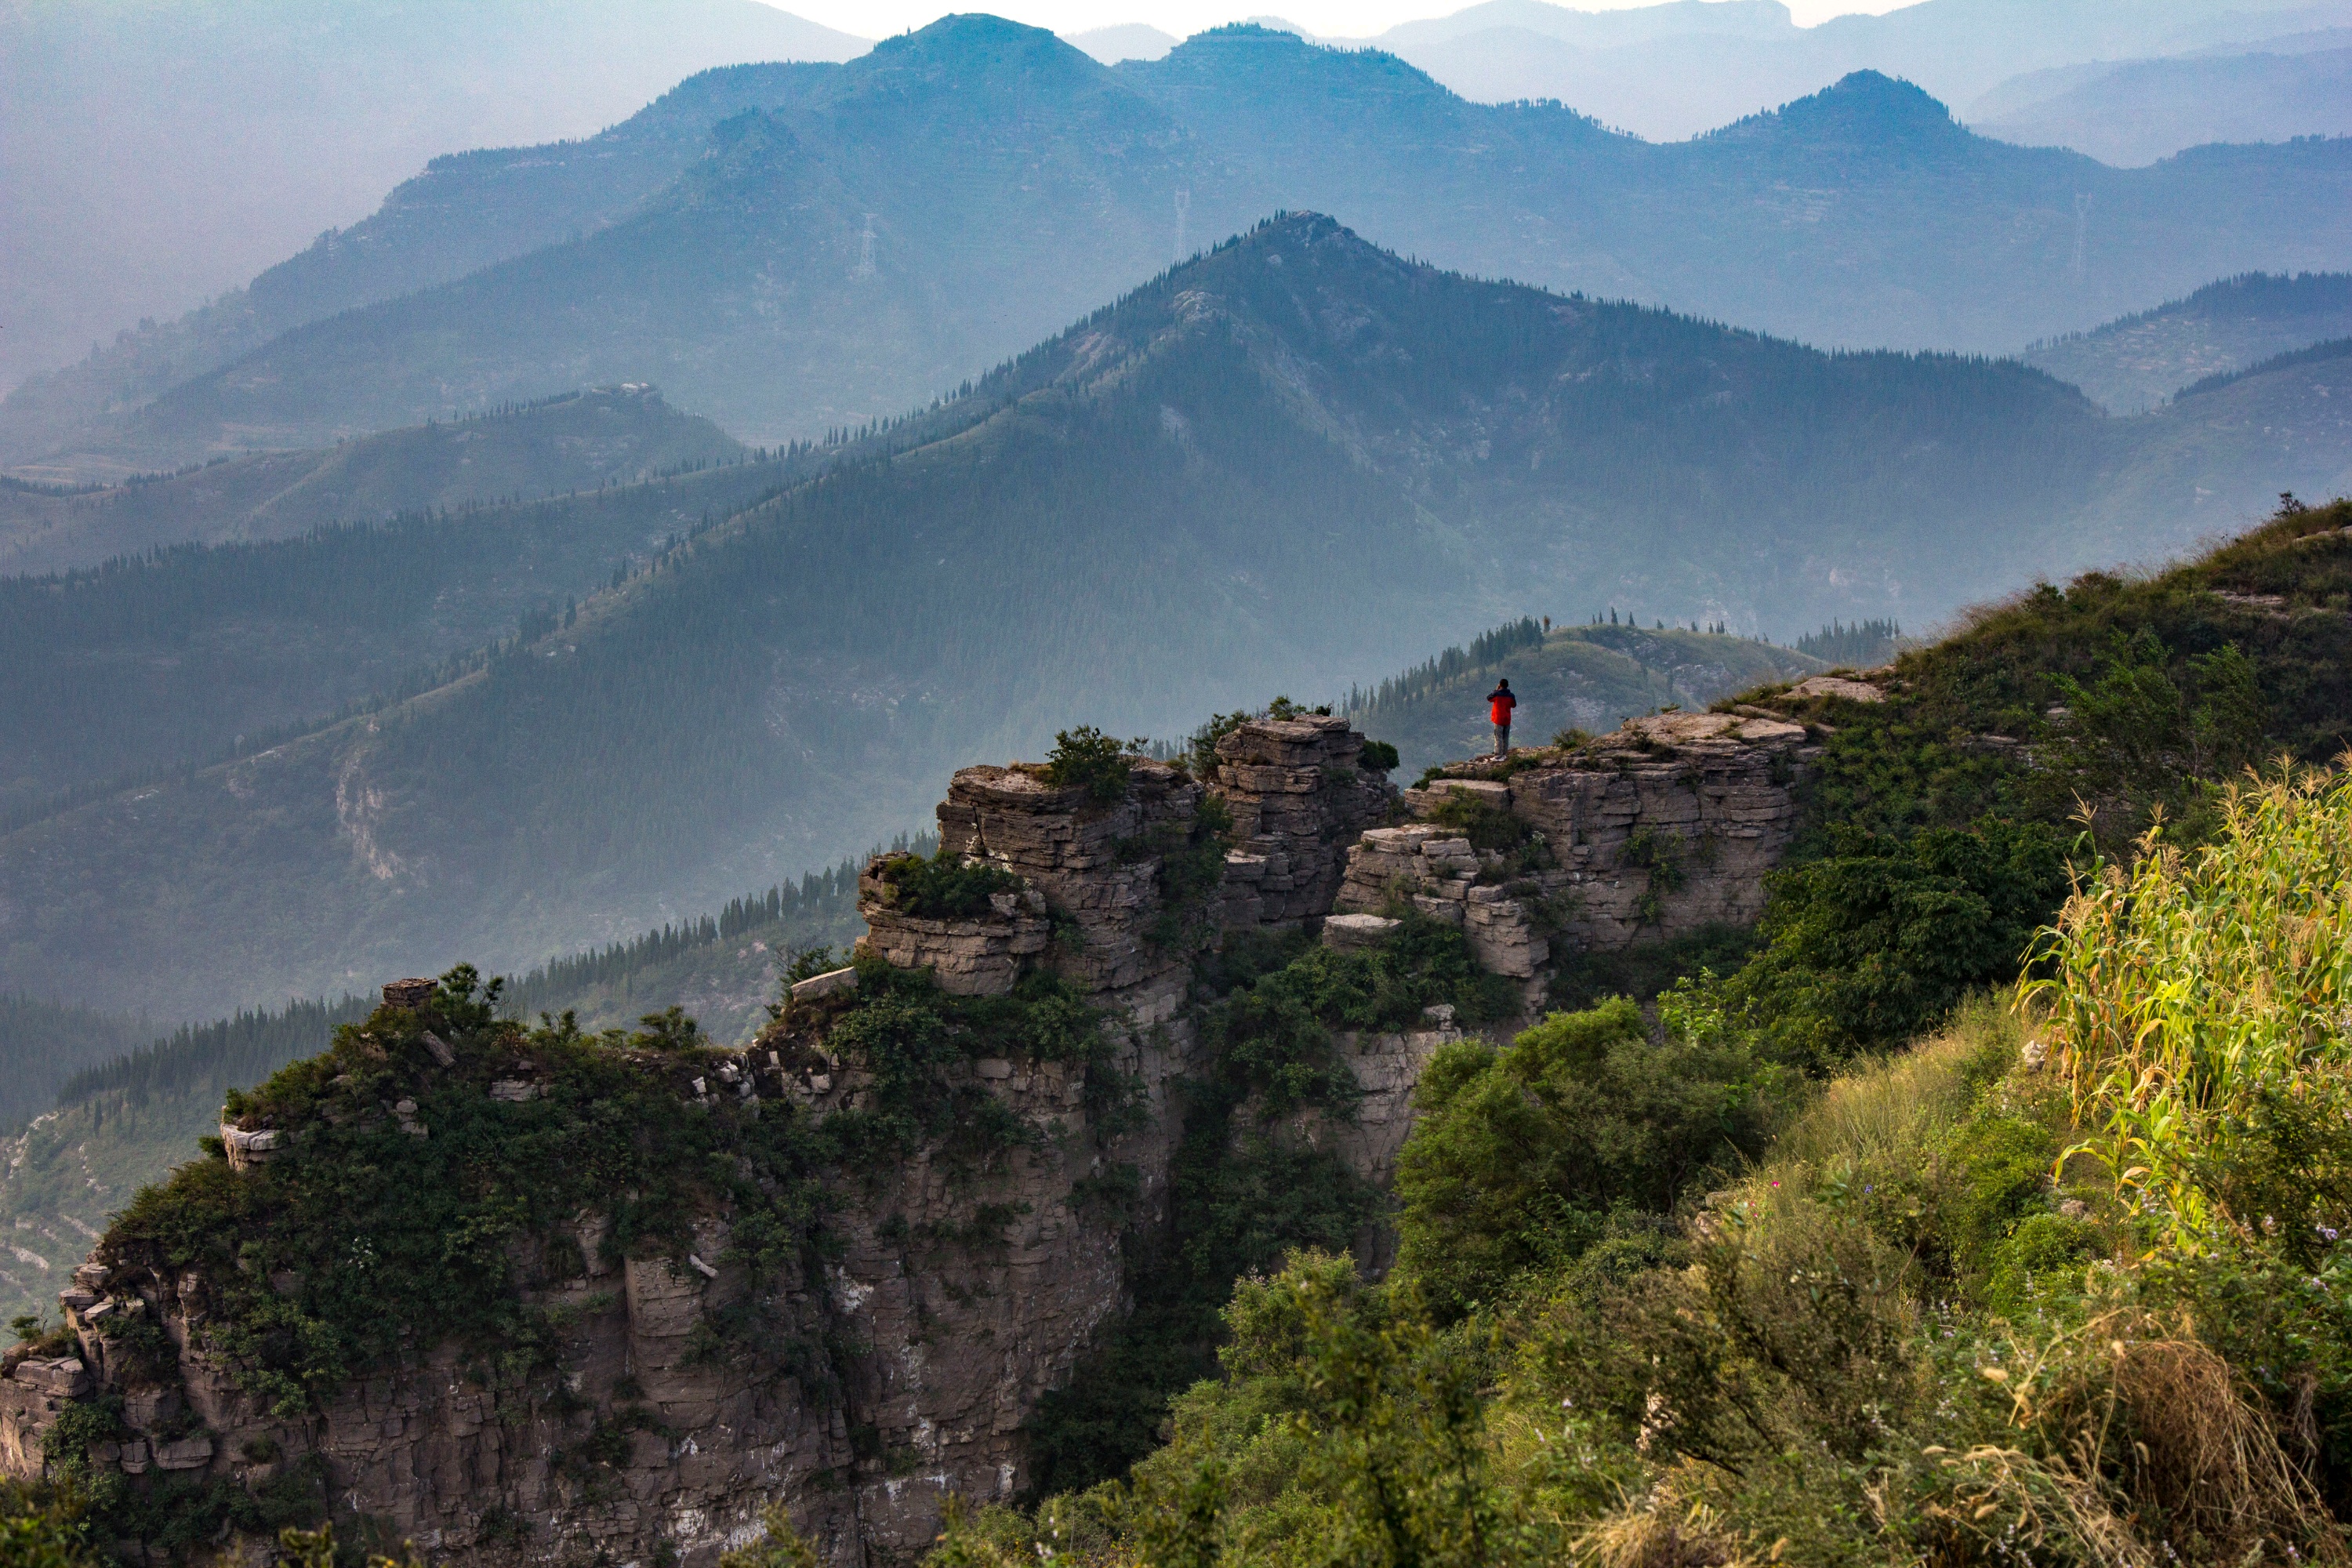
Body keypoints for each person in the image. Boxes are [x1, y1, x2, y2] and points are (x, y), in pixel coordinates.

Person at [1488, 678, 1517, 756]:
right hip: (1507, 719)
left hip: (1498, 719)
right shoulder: (1511, 696)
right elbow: (1514, 705)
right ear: (1507, 686)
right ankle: (1504, 754)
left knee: (1498, 737)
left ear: (1500, 685)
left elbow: (1489, 698)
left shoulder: (1497, 694)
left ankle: (1498, 754)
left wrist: (1496, 690)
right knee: (1506, 737)